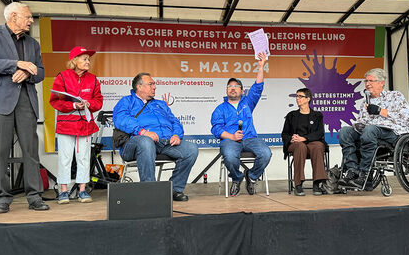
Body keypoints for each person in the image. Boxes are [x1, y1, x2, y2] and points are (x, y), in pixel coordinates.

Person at [0, 2, 49, 213]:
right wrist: (17, 64)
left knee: (31, 151)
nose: (31, 20)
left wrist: (28, 73)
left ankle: (35, 197)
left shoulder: (32, 44)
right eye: (27, 17)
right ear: (13, 16)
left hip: (26, 100)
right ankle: (2, 198)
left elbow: (41, 72)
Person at [113, 72, 198, 201]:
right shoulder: (127, 101)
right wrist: (143, 132)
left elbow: (174, 121)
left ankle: (174, 189)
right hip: (135, 143)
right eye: (150, 84)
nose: (154, 87)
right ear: (139, 87)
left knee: (191, 149)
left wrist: (176, 134)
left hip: (163, 143)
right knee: (146, 142)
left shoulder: (161, 104)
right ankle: (150, 191)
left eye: (154, 84)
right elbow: (121, 119)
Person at [338, 68, 409, 189]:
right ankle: (352, 171)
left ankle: (365, 174)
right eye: (366, 81)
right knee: (345, 132)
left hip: (392, 132)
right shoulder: (365, 103)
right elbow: (363, 121)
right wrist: (358, 125)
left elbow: (407, 118)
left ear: (381, 82)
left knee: (370, 130)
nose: (367, 84)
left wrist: (380, 111)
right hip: (370, 133)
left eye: (371, 81)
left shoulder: (395, 96)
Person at [211, 53, 272, 197]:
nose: (232, 88)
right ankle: (237, 178)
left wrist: (261, 66)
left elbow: (258, 87)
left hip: (251, 138)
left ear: (242, 90)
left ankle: (251, 176)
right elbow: (216, 128)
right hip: (230, 140)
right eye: (229, 86)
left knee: (266, 153)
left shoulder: (247, 103)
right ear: (226, 90)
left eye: (236, 86)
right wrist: (231, 136)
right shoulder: (220, 109)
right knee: (230, 155)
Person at [49, 46, 103, 204]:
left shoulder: (93, 79)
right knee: (65, 158)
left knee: (84, 158)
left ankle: (82, 190)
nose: (88, 62)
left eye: (88, 59)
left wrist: (88, 103)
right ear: (74, 61)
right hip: (66, 125)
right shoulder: (62, 77)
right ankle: (63, 191)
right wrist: (73, 106)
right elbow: (54, 101)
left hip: (85, 125)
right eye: (84, 59)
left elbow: (98, 101)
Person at [281, 88, 327, 196]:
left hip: (311, 142)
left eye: (300, 96)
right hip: (295, 144)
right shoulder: (291, 115)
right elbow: (284, 134)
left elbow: (319, 133)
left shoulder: (317, 115)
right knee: (300, 146)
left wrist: (304, 138)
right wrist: (291, 138)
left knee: (318, 146)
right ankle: (298, 184)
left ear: (308, 99)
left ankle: (317, 183)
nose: (297, 98)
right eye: (296, 96)